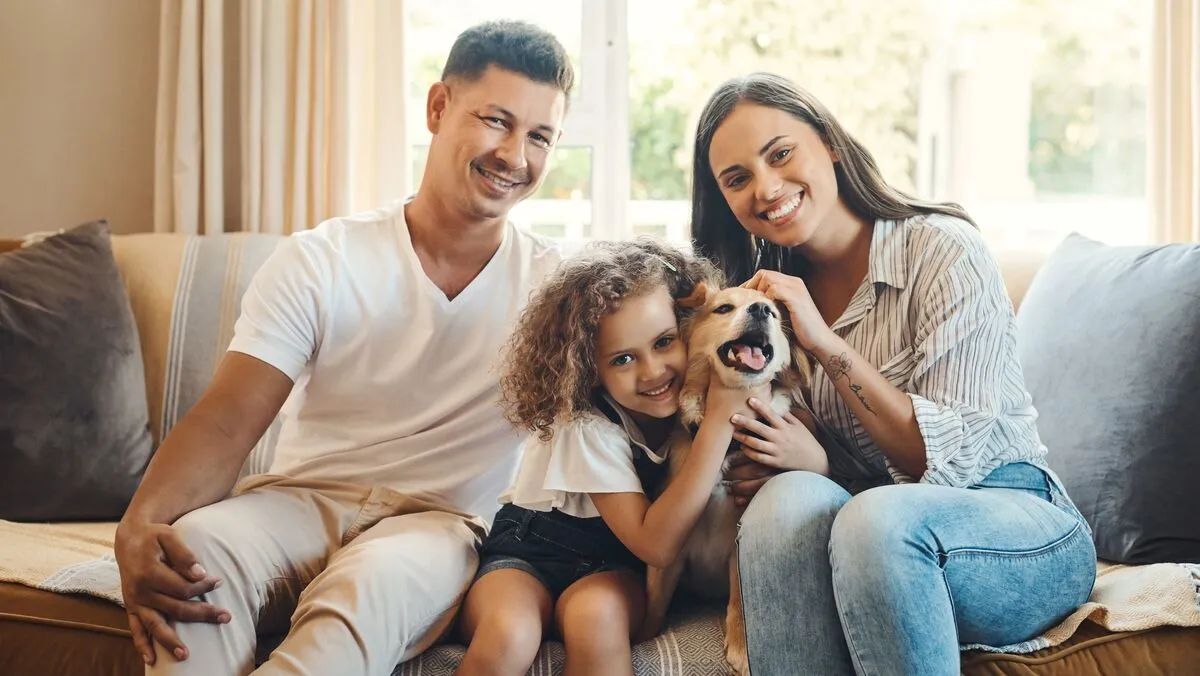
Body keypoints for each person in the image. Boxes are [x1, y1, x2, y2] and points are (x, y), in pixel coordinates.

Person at [113, 20, 574, 676]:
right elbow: (227, 420)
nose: (514, 155)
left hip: (438, 525)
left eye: (540, 136)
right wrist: (140, 523)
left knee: (367, 586)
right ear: (438, 107)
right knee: (194, 551)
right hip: (300, 499)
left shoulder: (558, 289)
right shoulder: (323, 258)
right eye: (497, 121)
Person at [688, 72, 1097, 676]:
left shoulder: (942, 250)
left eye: (780, 154)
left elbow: (946, 462)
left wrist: (823, 341)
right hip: (869, 532)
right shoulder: (759, 303)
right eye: (737, 178)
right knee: (787, 502)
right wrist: (810, 462)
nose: (766, 188)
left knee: (876, 521)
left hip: (1013, 523)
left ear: (829, 142)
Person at [453, 238, 767, 676]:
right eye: (622, 359)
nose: (653, 372)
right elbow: (656, 546)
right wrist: (718, 423)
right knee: (510, 633)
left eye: (664, 342)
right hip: (527, 555)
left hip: (610, 567)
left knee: (598, 622)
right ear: (588, 369)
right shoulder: (586, 427)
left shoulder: (685, 411)